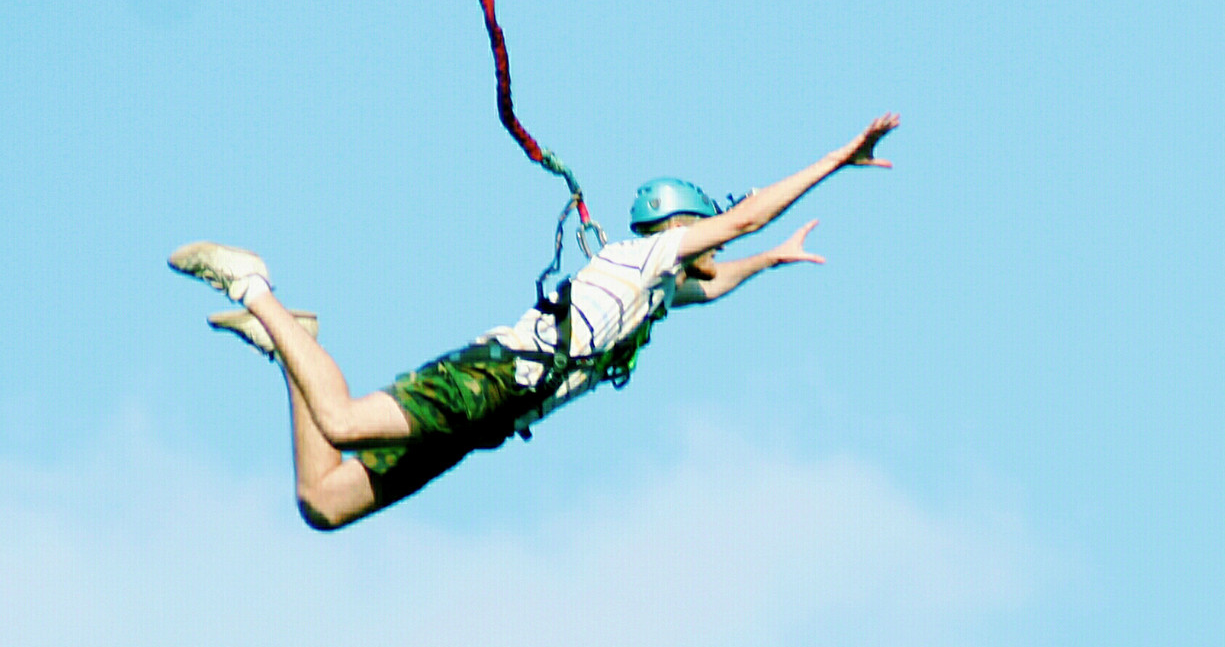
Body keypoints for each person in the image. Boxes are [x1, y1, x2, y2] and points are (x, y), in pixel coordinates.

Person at [170, 112, 899, 529]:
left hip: (492, 418)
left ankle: (288, 341)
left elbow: (715, 284)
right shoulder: (643, 259)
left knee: (323, 503)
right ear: (682, 228)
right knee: (344, 421)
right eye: (706, 233)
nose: (717, 247)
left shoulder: (655, 295)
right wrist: (840, 158)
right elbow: (744, 218)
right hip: (489, 381)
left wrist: (772, 261)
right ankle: (254, 285)